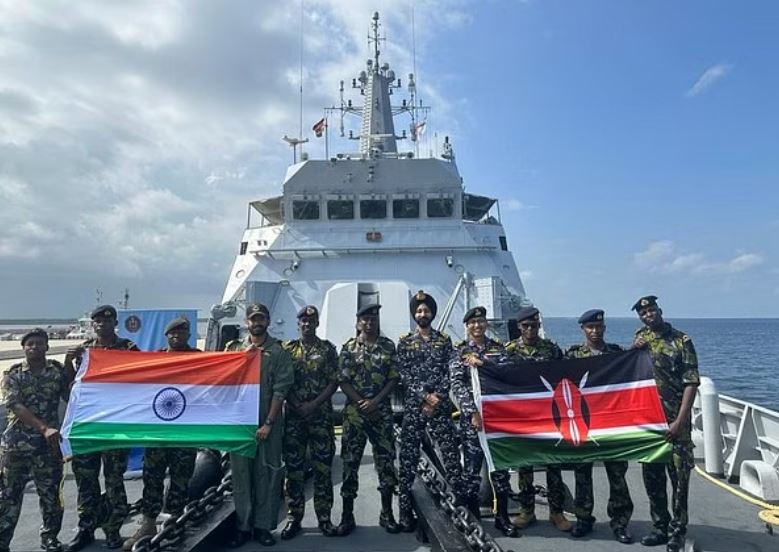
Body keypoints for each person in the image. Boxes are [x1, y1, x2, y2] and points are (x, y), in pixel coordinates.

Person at [64, 305, 140, 551]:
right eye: (97, 321)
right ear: (93, 324)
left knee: (114, 480)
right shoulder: (84, 350)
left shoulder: (128, 349)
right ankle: (86, 528)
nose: (101, 325)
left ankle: (113, 529)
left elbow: (141, 379)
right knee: (86, 480)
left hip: (116, 427)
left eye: (106, 321)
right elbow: (71, 387)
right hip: (89, 425)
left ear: (114, 323)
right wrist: (68, 360)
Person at [122, 317, 200, 550]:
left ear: (188, 334)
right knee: (152, 478)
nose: (176, 336)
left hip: (185, 431)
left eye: (182, 332)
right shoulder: (156, 359)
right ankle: (148, 524)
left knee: (181, 479)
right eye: (172, 333)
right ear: (166, 335)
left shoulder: (199, 358)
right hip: (158, 431)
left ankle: (173, 522)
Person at [631, 296, 699, 552]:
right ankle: (660, 527)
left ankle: (677, 532)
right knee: (653, 479)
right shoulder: (641, 337)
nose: (648, 315)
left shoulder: (682, 340)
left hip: (675, 423)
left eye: (651, 310)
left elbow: (691, 382)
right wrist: (632, 349)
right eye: (643, 312)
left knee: (679, 482)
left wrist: (680, 421)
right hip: (650, 424)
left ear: (659, 311)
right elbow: (631, 372)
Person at [224, 303, 294, 547]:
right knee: (241, 477)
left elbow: (280, 390)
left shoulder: (279, 352)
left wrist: (268, 423)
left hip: (267, 423)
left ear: (268, 321)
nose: (257, 322)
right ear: (246, 322)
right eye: (253, 319)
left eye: (261, 318)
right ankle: (243, 526)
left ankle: (263, 526)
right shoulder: (233, 350)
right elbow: (222, 382)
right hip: (239, 425)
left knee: (267, 475)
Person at [395, 291, 465, 532]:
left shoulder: (444, 341)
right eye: (419, 311)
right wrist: (425, 397)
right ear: (415, 314)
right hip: (415, 408)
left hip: (441, 407)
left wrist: (438, 397)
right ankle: (405, 511)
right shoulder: (404, 342)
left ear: (432, 313)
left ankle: (461, 507)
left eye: (426, 310)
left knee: (451, 457)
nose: (422, 314)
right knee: (408, 459)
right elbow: (403, 374)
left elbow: (451, 371)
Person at [449, 306, 520, 538]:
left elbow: (506, 374)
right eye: (472, 323)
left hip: (497, 419)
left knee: (499, 470)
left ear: (485, 324)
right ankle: (473, 518)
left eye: (480, 322)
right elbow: (457, 385)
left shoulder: (498, 350)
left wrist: (483, 364)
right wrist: (472, 412)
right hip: (473, 420)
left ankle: (502, 518)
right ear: (467, 327)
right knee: (471, 471)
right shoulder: (459, 352)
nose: (477, 326)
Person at [565, 309, 634, 544]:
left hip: (611, 424)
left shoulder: (617, 353)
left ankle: (620, 522)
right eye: (590, 327)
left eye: (598, 327)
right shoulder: (573, 355)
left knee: (617, 475)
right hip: (584, 423)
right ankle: (584, 519)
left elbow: (634, 372)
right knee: (582, 473)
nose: (594, 331)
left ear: (604, 328)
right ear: (583, 329)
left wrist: (638, 349)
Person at [0, 329, 70, 552]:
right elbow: (15, 406)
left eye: (40, 343)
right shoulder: (14, 374)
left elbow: (71, 395)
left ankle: (50, 537)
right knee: (8, 496)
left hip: (47, 447)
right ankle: (2, 541)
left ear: (47, 347)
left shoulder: (56, 373)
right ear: (24, 348)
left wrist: (70, 362)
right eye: (30, 344)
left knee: (50, 495)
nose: (34, 347)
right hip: (16, 445)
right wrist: (44, 428)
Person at [505, 306, 572, 532]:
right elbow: (500, 377)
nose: (531, 329)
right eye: (526, 326)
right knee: (525, 464)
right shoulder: (509, 351)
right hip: (523, 417)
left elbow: (565, 376)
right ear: (519, 327)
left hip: (549, 416)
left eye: (534, 325)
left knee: (554, 463)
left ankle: (556, 512)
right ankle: (527, 511)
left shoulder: (551, 350)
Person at [336, 304, 400, 536]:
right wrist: (363, 402)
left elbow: (393, 378)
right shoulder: (348, 348)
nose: (369, 323)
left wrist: (376, 402)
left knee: (386, 464)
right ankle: (347, 516)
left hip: (381, 413)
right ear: (358, 322)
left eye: (373, 319)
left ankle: (387, 514)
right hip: (355, 415)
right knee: (350, 465)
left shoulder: (388, 346)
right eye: (365, 319)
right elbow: (343, 380)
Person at [279, 306, 339, 539]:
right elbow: (282, 381)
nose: (307, 324)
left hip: (320, 417)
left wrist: (313, 405)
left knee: (323, 469)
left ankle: (324, 518)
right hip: (294, 419)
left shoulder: (327, 349)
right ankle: (294, 518)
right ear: (298, 323)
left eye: (311, 320)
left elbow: (334, 382)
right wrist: (296, 403)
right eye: (303, 320)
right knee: (294, 470)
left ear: (317, 323)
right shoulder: (288, 350)